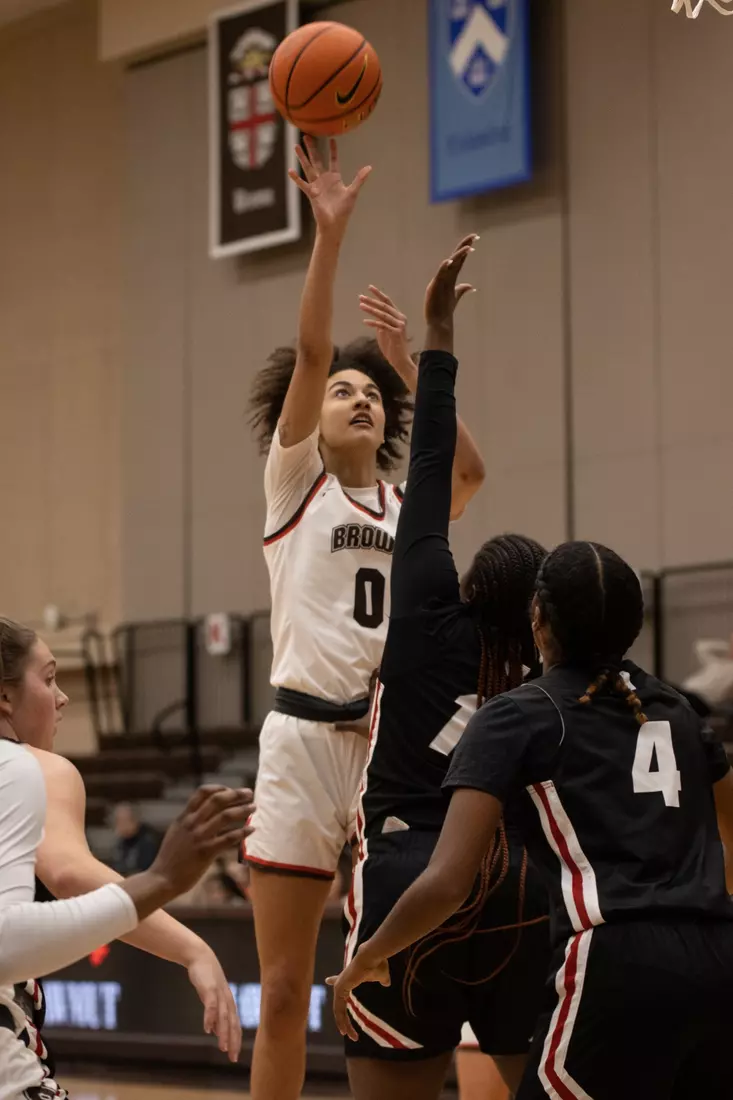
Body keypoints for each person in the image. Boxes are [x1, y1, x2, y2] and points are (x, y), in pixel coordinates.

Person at [245, 137, 485, 1100]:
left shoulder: (406, 510)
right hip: (304, 740)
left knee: (409, 968)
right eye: (341, 392)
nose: (357, 399)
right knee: (284, 986)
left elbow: (469, 471)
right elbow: (312, 350)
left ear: (389, 424)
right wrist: (328, 233)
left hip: (394, 747)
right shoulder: (294, 486)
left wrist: (411, 366)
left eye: (371, 397)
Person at [330, 541, 733, 1100]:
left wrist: (370, 955)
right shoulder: (680, 712)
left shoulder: (518, 715)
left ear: (537, 619)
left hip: (614, 960)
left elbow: (448, 883)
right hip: (716, 960)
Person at [338, 238, 549, 1100]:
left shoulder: (425, 609)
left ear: (466, 584)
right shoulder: (544, 677)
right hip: (516, 888)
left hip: (403, 879)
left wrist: (436, 337)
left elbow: (428, 464)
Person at [0, 617, 255, 1099]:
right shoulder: (29, 765)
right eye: (49, 678)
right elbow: (69, 873)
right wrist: (190, 944)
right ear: (5, 697)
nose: (63, 697)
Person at [112, 801, 161, 874]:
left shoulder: (149, 841)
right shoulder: (122, 841)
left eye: (122, 821)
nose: (119, 826)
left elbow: (145, 871)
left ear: (134, 820)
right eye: (117, 821)